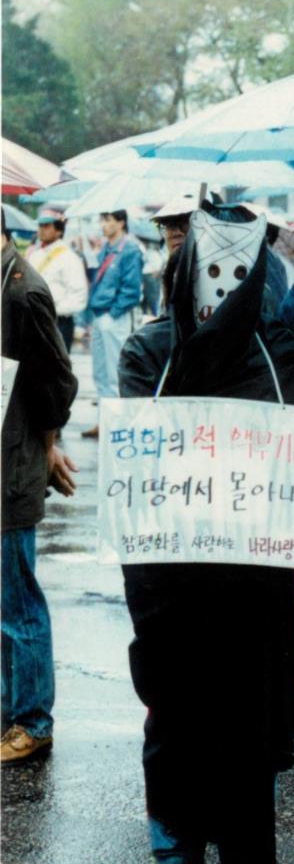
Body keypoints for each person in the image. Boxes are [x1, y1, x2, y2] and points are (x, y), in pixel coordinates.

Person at [118, 203, 294, 864]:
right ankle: (174, 853)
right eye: (211, 270)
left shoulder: (280, 348)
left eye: (240, 271)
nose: (223, 288)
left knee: (249, 712)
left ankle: (243, 859)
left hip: (253, 568)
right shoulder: (149, 349)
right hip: (167, 566)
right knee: (173, 707)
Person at [2, 211, 78, 764]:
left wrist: (47, 447)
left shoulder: (24, 291)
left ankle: (32, 721)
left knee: (17, 601)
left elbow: (58, 379)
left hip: (12, 465)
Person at [83, 210, 143, 438]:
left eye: (108, 220)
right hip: (99, 314)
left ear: (121, 222)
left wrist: (114, 312)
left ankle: (117, 424)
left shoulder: (130, 249)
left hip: (114, 316)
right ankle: (104, 421)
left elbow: (132, 289)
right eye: (102, 220)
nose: (103, 225)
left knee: (113, 372)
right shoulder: (106, 249)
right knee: (100, 373)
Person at [25, 212, 88, 354]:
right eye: (40, 225)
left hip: (58, 322)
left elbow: (79, 295)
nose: (41, 229)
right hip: (34, 320)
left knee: (56, 371)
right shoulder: (34, 255)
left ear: (59, 231)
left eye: (47, 226)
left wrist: (54, 310)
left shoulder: (69, 258)